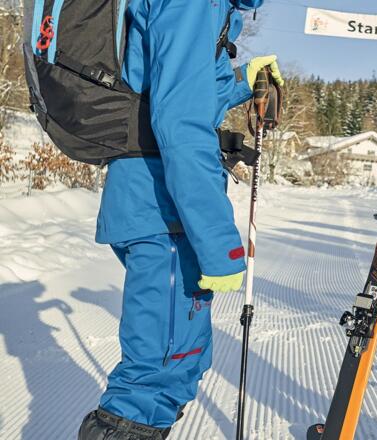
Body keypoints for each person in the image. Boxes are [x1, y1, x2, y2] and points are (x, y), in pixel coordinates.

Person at [77, 1, 284, 439]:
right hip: (164, 208)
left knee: (177, 361)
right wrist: (219, 243)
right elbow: (181, 122)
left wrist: (240, 80)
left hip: (156, 203)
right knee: (156, 375)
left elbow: (176, 90)